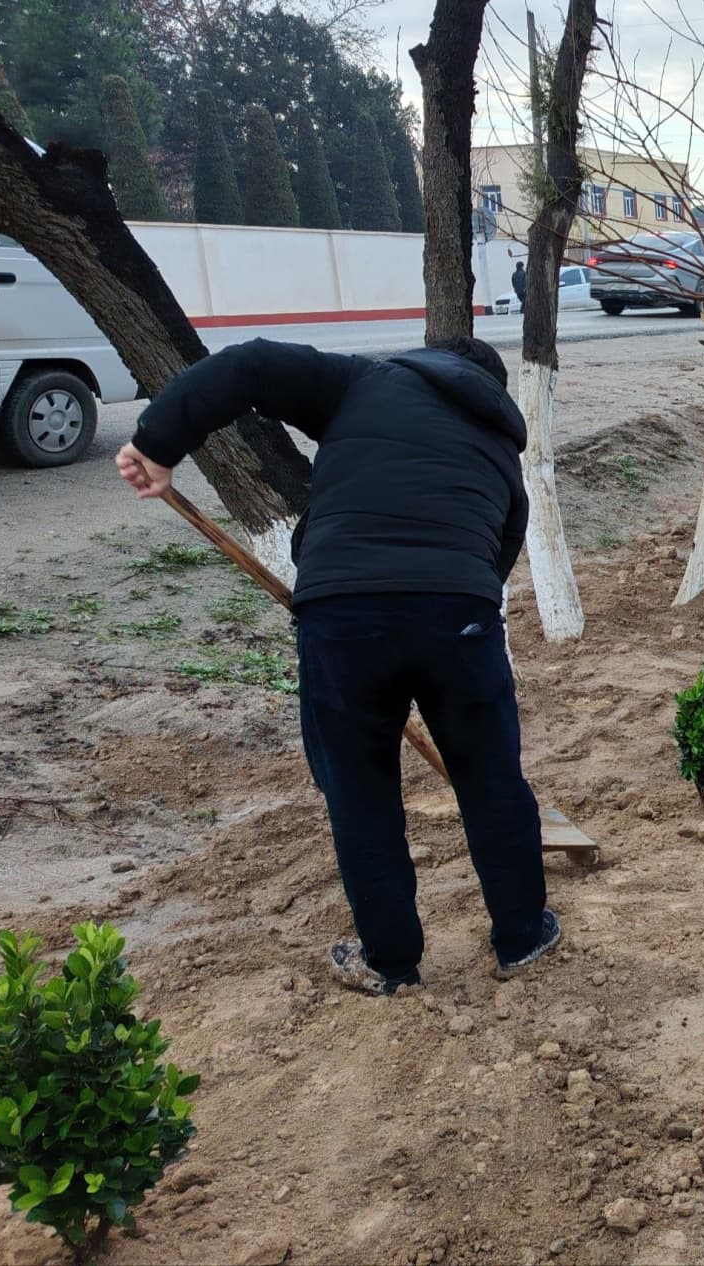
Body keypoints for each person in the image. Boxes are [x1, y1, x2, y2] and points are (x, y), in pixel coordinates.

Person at [114, 337, 560, 995]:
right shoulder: (498, 445)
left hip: (344, 614)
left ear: (428, 359)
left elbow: (249, 366)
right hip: (456, 614)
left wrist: (157, 443)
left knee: (361, 790)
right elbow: (499, 553)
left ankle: (390, 962)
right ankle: (522, 937)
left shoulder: (363, 382)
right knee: (491, 776)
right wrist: (437, 630)